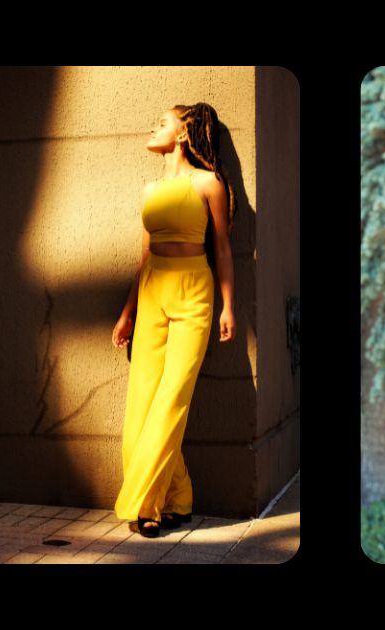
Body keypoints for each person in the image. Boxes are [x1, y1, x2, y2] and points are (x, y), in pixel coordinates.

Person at [110, 103, 236, 537]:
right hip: (152, 291)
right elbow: (144, 257)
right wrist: (127, 312)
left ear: (183, 134)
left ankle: (147, 503)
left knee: (171, 400)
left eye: (162, 123)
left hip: (194, 293)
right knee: (142, 404)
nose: (153, 127)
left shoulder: (209, 183)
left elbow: (222, 248)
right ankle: (179, 499)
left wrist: (229, 305)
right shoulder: (149, 191)